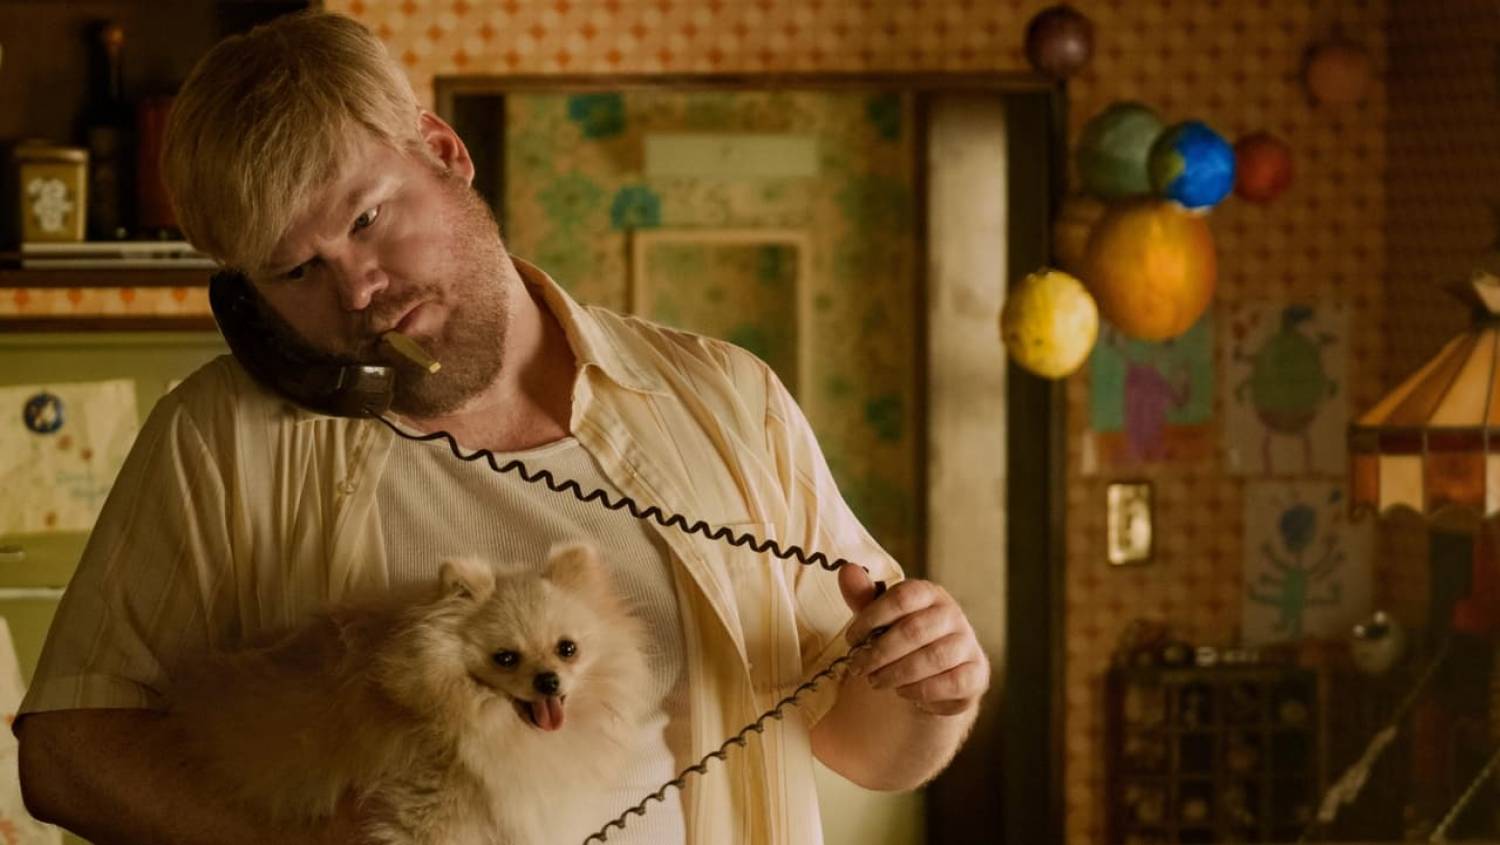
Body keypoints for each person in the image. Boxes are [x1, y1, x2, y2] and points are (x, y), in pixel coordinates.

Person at [14, 11, 989, 845]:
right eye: (296, 270)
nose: (357, 289)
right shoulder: (215, 436)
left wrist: (933, 689)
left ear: (443, 151)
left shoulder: (731, 398)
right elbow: (65, 753)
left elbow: (867, 746)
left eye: (366, 220)